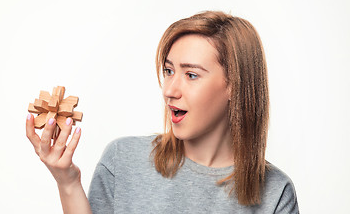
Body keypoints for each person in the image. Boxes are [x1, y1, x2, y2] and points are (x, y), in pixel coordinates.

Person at [26, 11, 299, 213]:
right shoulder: (123, 161)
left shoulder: (275, 192)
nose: (170, 89)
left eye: (191, 75)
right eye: (169, 71)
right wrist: (68, 182)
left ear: (235, 85)